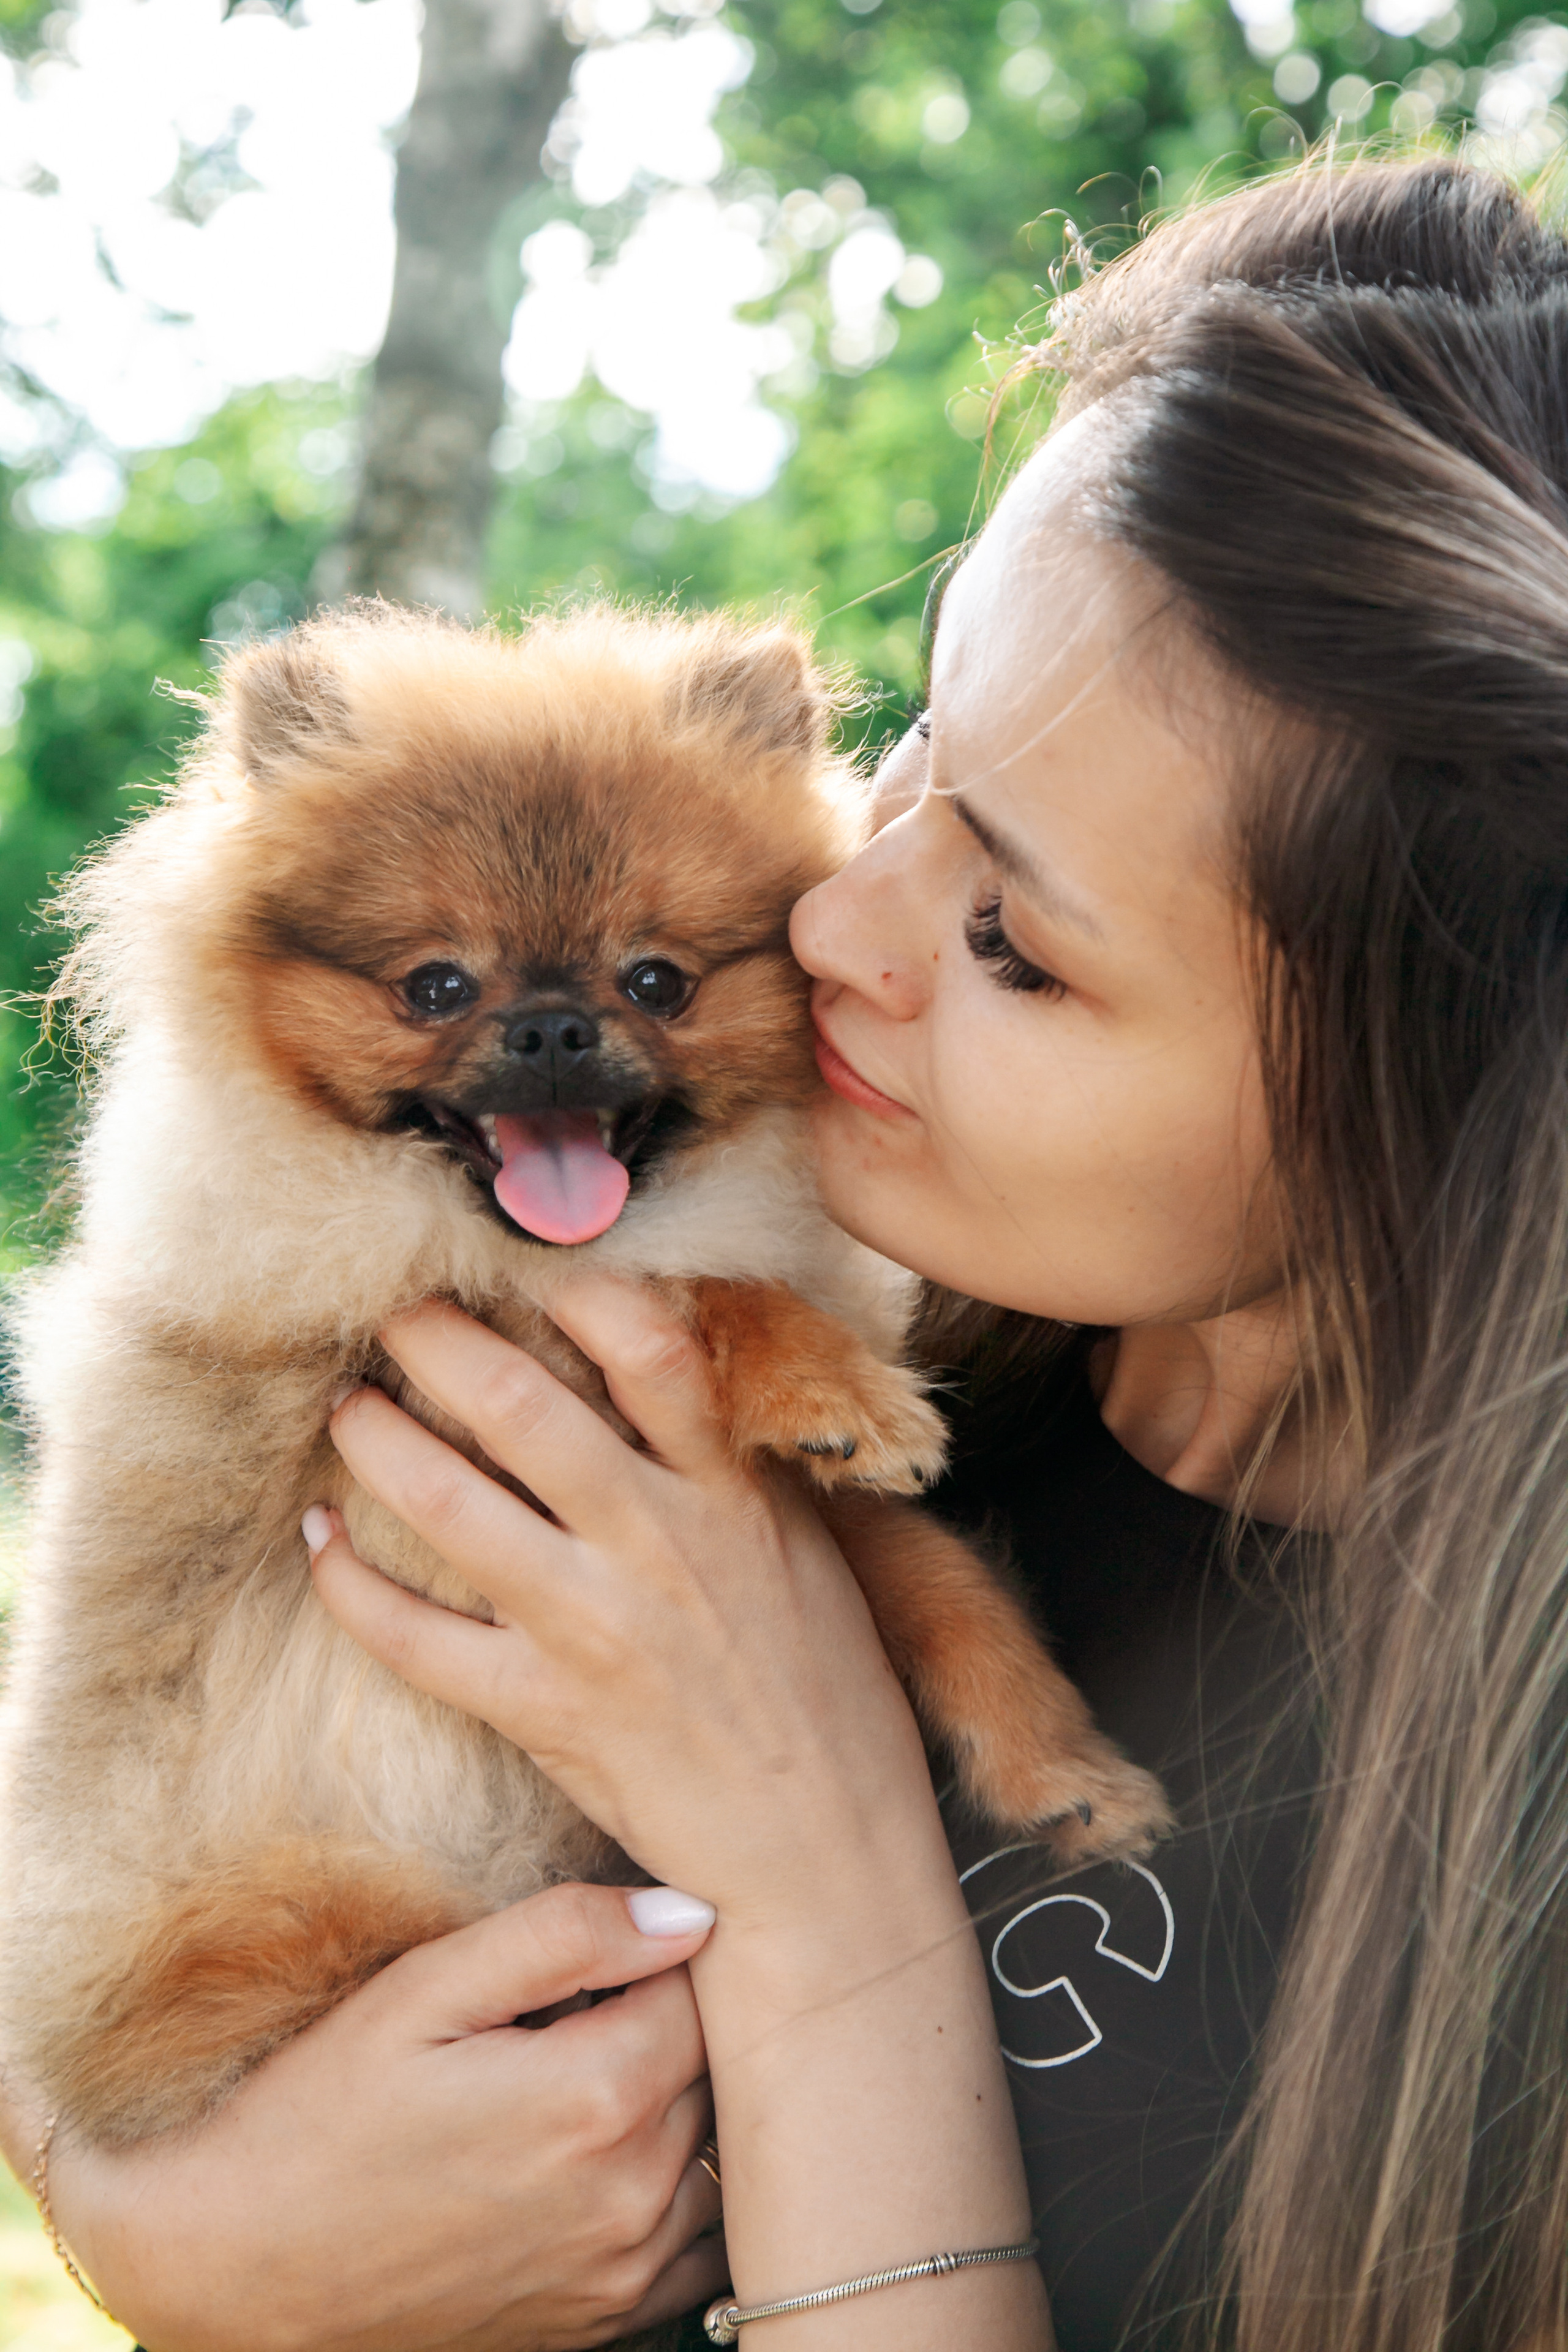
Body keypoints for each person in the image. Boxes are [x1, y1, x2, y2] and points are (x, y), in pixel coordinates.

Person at [6, 149, 1567, 2352]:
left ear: (1442, 1088)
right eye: (914, 749)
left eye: (1011, 937)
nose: (824, 919)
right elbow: (115, 1742)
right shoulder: (756, 1302)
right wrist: (169, 2227)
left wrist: (836, 1902)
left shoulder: (1510, 1846)